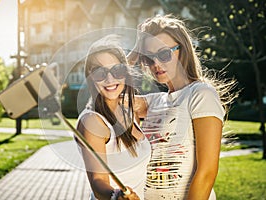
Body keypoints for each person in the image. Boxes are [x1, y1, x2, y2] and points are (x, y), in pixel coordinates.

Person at [127, 14, 237, 199]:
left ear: (183, 50)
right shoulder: (154, 102)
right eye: (148, 58)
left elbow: (206, 173)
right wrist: (135, 52)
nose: (156, 64)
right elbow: (109, 92)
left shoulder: (201, 94)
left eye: (163, 54)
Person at [76, 35, 151, 200]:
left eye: (117, 71)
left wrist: (139, 44)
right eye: (100, 72)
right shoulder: (92, 121)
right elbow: (97, 181)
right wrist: (116, 195)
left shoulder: (129, 112)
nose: (110, 79)